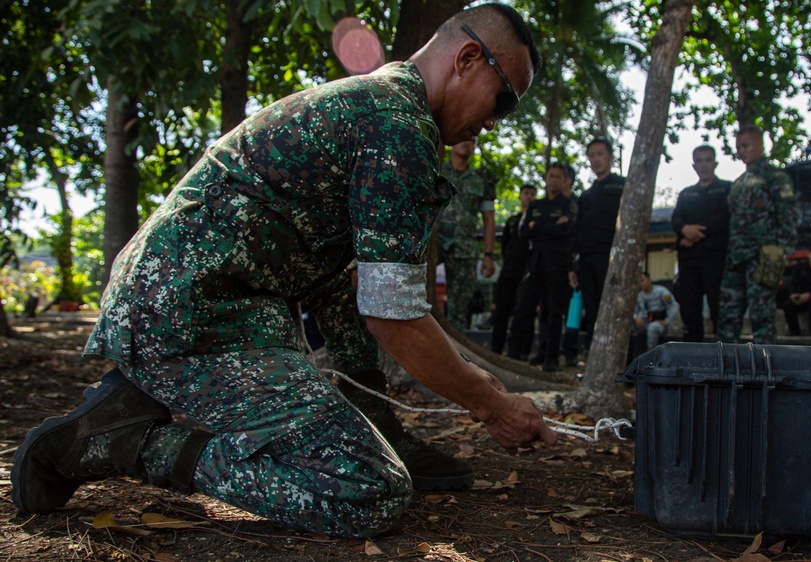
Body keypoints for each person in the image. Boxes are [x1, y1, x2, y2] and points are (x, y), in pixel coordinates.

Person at [11, 4, 557, 539]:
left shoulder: (380, 104)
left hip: (205, 308)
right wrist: (491, 405)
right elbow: (394, 316)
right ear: (467, 58)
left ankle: (373, 426)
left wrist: (388, 413)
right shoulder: (397, 127)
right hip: (187, 318)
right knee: (368, 489)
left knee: (361, 391)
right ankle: (124, 443)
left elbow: (350, 289)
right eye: (503, 100)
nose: (492, 120)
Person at [716, 126, 799, 344]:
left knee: (762, 315)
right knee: (728, 314)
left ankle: (764, 367)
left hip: (762, 256)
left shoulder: (776, 177)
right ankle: (724, 366)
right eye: (738, 147)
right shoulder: (738, 183)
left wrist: (782, 250)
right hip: (736, 257)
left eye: (746, 145)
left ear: (761, 145)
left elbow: (788, 214)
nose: (741, 151)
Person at [507, 163, 575, 371]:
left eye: (558, 177)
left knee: (554, 312)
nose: (554, 180)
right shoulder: (536, 206)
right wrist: (550, 227)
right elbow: (525, 232)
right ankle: (514, 354)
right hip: (536, 265)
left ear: (564, 181)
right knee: (524, 308)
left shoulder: (568, 204)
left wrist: (538, 227)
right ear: (545, 179)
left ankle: (551, 358)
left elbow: (566, 230)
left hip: (558, 265)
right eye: (551, 176)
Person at [671, 145, 731, 342]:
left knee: (719, 310)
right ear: (694, 165)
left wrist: (695, 234)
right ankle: (693, 355)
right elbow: (676, 219)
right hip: (689, 261)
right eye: (699, 160)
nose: (704, 164)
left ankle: (723, 354)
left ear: (715, 163)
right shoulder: (687, 194)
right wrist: (684, 231)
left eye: (707, 160)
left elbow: (725, 218)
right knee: (689, 310)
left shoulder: (726, 189)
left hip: (715, 259)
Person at [571, 137, 626, 351]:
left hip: (612, 257)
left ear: (611, 157)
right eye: (592, 156)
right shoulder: (586, 195)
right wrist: (573, 265)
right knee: (592, 311)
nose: (596, 160)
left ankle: (623, 359)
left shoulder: (623, 186)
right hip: (586, 259)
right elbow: (577, 231)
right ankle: (596, 357)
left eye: (600, 154)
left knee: (614, 310)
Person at [439, 137, 498, 330]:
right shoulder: (436, 171)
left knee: (460, 307)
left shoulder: (481, 179)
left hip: (464, 248)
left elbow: (488, 218)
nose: (467, 143)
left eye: (473, 141)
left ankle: (457, 352)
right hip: (432, 245)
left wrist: (488, 255)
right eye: (463, 138)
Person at [490, 184, 536, 354]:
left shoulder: (537, 221)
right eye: (526, 193)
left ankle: (520, 352)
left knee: (524, 313)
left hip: (528, 273)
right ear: (520, 196)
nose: (529, 196)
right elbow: (505, 246)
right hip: (509, 271)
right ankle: (496, 349)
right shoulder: (512, 221)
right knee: (501, 310)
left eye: (532, 193)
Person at [633, 272, 679, 351]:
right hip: (645, 323)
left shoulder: (661, 291)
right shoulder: (640, 296)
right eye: (639, 282)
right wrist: (636, 317)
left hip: (659, 323)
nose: (641, 284)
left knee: (653, 328)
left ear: (649, 280)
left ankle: (651, 354)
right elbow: (634, 311)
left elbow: (673, 306)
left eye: (642, 280)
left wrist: (667, 321)